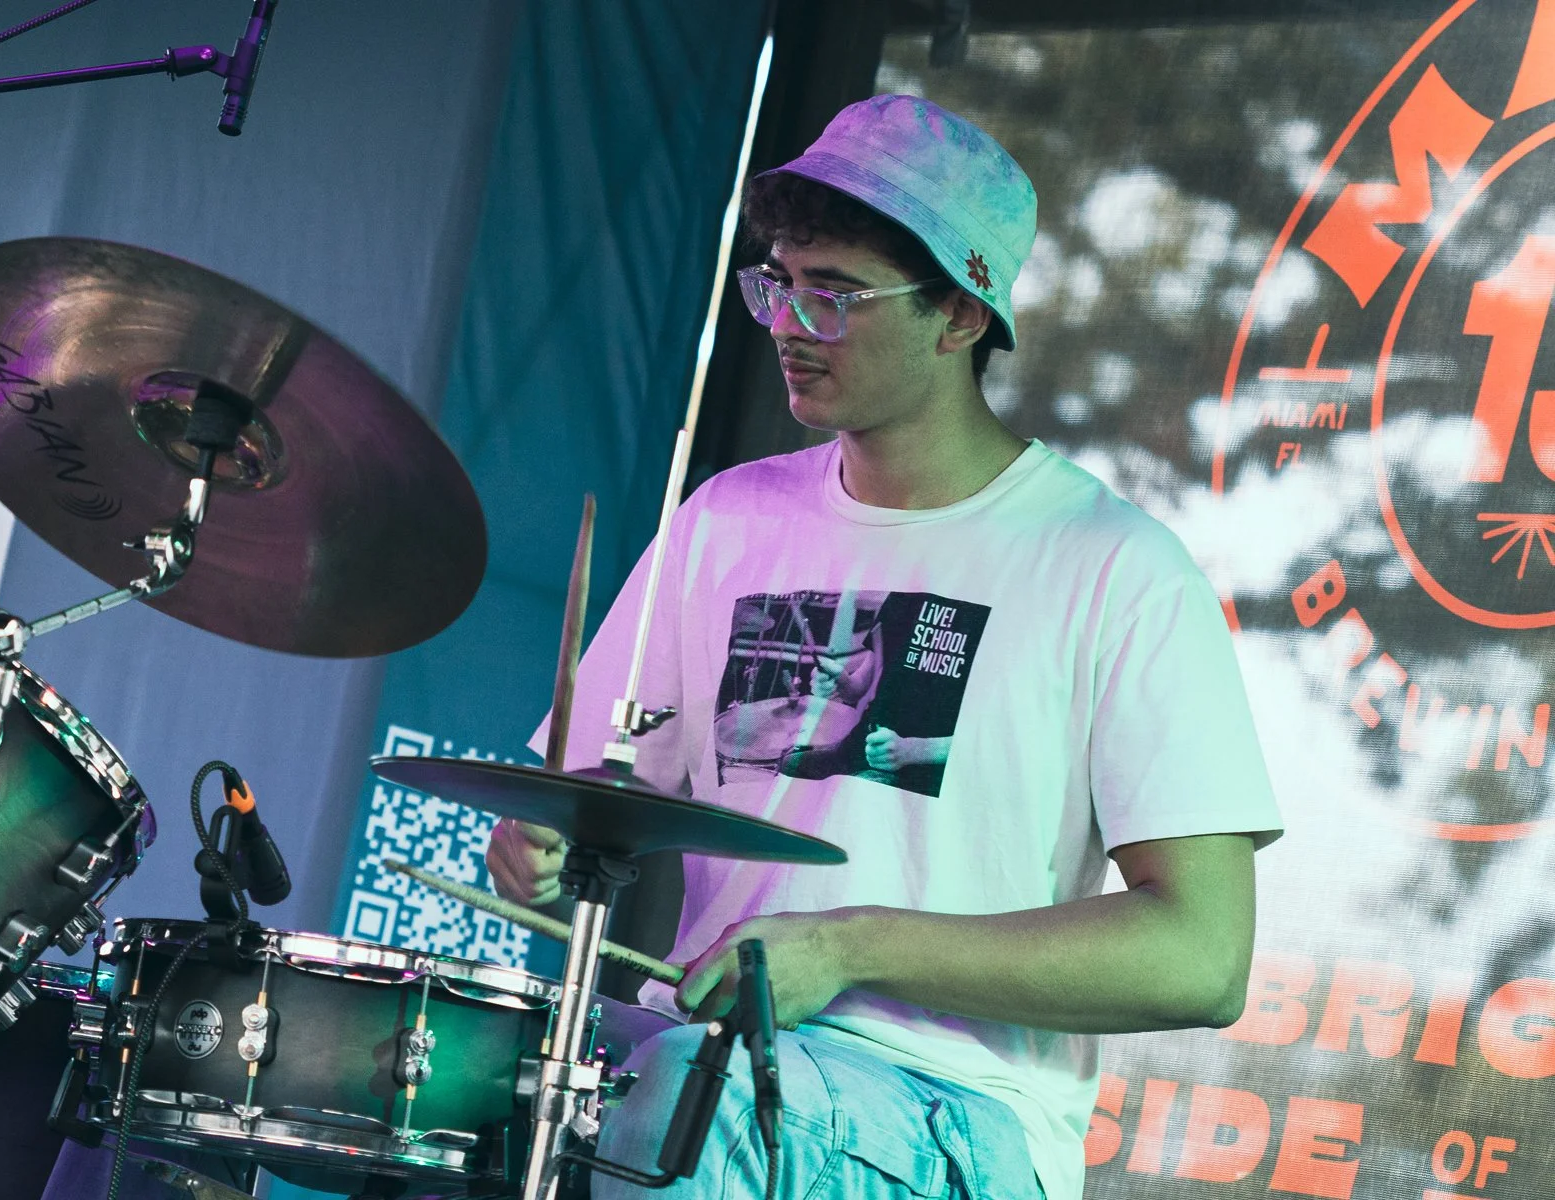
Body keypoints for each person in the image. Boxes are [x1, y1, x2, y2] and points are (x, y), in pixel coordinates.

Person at [488, 94, 1282, 1200]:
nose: (788, 323)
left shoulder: (1114, 566)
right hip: (710, 1069)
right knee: (487, 1073)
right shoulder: (727, 520)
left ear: (960, 316)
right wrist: (537, 848)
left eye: (836, 293)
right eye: (778, 281)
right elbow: (584, 810)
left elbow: (1202, 957)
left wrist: (851, 945)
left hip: (955, 1116)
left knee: (678, 1099)